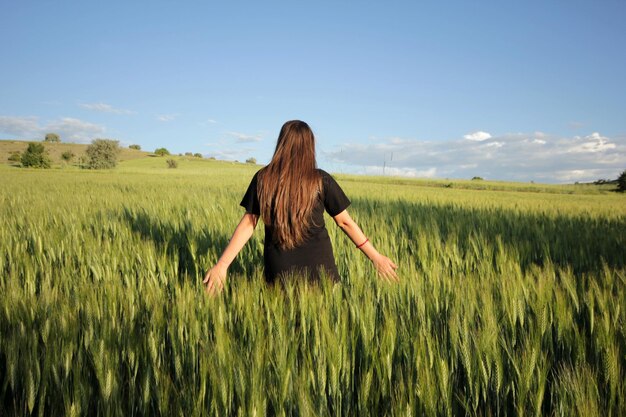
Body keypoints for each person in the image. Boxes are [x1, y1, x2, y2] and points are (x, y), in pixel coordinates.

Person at [203, 120, 398, 295]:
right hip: (320, 270)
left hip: (279, 271)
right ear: (309, 146)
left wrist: (222, 265)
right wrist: (375, 257)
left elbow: (248, 224)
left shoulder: (263, 179)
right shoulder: (321, 180)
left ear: (281, 144)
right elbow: (345, 222)